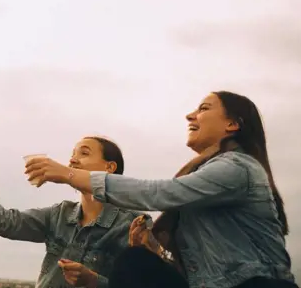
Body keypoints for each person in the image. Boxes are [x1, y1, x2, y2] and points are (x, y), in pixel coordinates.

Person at [25, 91, 297, 288]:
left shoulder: (238, 167)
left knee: (133, 264)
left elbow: (160, 193)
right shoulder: (203, 176)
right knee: (136, 262)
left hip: (257, 284)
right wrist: (155, 250)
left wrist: (69, 174)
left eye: (203, 108)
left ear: (232, 124)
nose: (190, 114)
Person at [0, 133, 149, 288]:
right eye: (72, 154)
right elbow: (3, 222)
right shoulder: (59, 214)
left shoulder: (133, 225)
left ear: (109, 167)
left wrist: (93, 281)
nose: (72, 160)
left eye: (84, 153)